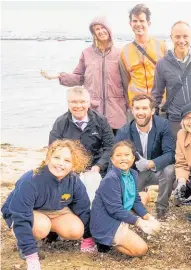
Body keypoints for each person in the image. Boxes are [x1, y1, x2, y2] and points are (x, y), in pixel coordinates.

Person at [1, 140, 96, 270]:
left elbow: (83, 209)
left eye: (67, 161)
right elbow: (20, 215)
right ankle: (24, 243)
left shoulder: (74, 181)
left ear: (74, 165)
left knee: (76, 230)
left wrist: (87, 239)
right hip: (21, 213)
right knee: (41, 227)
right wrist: (31, 257)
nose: (60, 164)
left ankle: (51, 235)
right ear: (48, 159)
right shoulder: (31, 180)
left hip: (54, 210)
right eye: (56, 157)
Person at [41, 17, 126, 134]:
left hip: (117, 111)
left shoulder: (120, 53)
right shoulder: (87, 53)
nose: (101, 31)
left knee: (117, 148)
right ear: (94, 33)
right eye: (97, 29)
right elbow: (79, 77)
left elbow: (128, 80)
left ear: (109, 30)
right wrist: (58, 76)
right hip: (94, 110)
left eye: (103, 28)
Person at [90, 141, 161, 257]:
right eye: (118, 155)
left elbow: (135, 200)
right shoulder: (111, 179)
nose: (123, 158)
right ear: (112, 160)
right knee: (141, 250)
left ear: (133, 158)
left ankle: (124, 229)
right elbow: (115, 210)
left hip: (119, 213)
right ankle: (104, 241)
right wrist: (139, 222)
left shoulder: (133, 174)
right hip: (106, 221)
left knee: (143, 196)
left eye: (127, 155)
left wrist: (149, 217)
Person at [115, 94, 175, 220]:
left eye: (144, 108)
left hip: (158, 170)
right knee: (128, 205)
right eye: (137, 108)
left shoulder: (163, 125)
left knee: (170, 170)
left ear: (152, 110)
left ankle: (161, 207)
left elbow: (170, 154)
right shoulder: (125, 131)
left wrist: (150, 163)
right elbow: (115, 158)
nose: (140, 112)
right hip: (137, 173)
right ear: (132, 110)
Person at [49, 86, 115, 176]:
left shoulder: (100, 120)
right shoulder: (60, 123)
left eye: (82, 102)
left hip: (97, 167)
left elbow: (110, 147)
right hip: (70, 168)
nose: (78, 106)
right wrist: (69, 166)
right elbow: (53, 150)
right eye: (74, 102)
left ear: (88, 103)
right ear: (68, 103)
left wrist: (99, 165)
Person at [119, 4, 167, 106]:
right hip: (137, 104)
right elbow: (125, 80)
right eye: (135, 21)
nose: (138, 24)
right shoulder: (125, 51)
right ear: (130, 24)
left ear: (148, 23)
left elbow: (170, 75)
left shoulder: (161, 45)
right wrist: (129, 103)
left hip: (160, 103)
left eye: (141, 21)